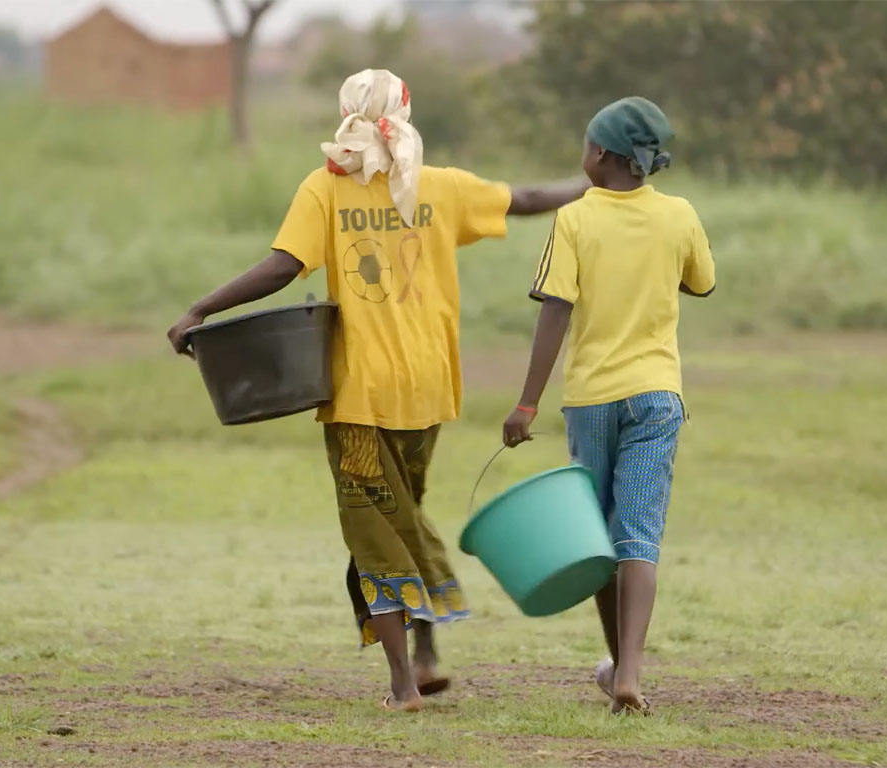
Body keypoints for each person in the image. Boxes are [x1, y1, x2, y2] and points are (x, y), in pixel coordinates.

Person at [167, 69, 588, 712]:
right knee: (406, 512)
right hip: (429, 387)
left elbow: (284, 266)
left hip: (360, 392)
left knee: (374, 528)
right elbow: (526, 196)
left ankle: (402, 685)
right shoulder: (438, 186)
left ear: (345, 114)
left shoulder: (326, 187)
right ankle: (425, 654)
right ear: (405, 112)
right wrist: (595, 183)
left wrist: (200, 308)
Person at [500, 96, 715, 715]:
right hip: (656, 395)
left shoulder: (574, 219)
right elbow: (698, 281)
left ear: (598, 153)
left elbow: (555, 310)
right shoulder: (679, 216)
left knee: (596, 535)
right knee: (638, 537)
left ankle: (618, 662)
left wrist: (526, 402)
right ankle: (630, 676)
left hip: (591, 399)